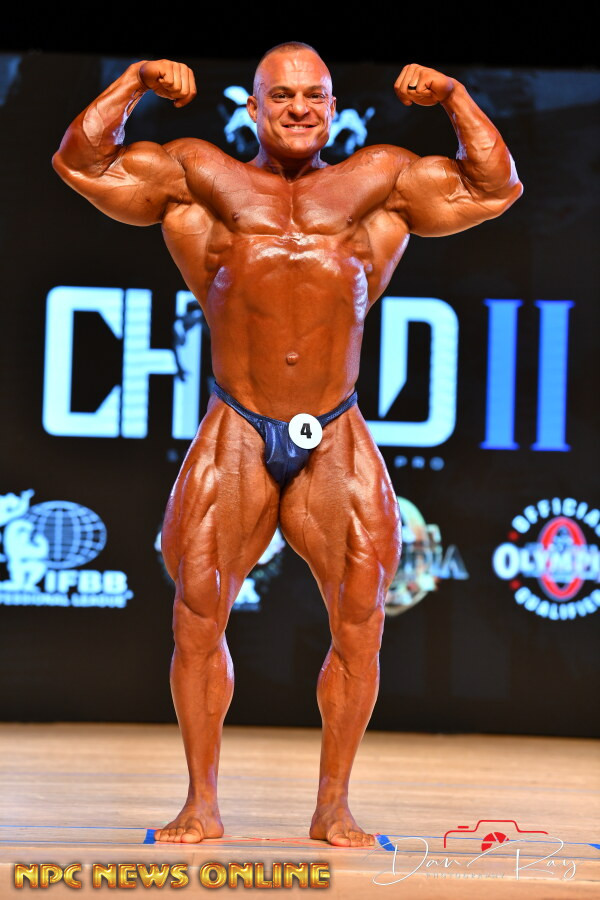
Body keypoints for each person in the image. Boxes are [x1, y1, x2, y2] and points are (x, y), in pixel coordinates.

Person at [52, 42, 522, 847]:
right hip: (238, 423)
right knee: (198, 615)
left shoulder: (379, 181)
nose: (299, 107)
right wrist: (133, 83)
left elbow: (494, 186)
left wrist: (453, 96)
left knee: (361, 617)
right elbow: (82, 163)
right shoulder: (201, 176)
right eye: (281, 95)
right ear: (253, 106)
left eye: (314, 95)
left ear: (333, 108)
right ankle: (200, 802)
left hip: (335, 426)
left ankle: (333, 806)